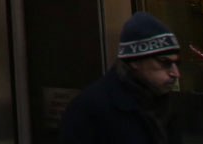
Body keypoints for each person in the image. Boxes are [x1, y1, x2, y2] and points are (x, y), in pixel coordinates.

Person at [60, 11, 185, 144]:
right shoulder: (90, 109)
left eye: (176, 63)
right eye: (164, 62)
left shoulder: (164, 104)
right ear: (134, 61)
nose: (175, 73)